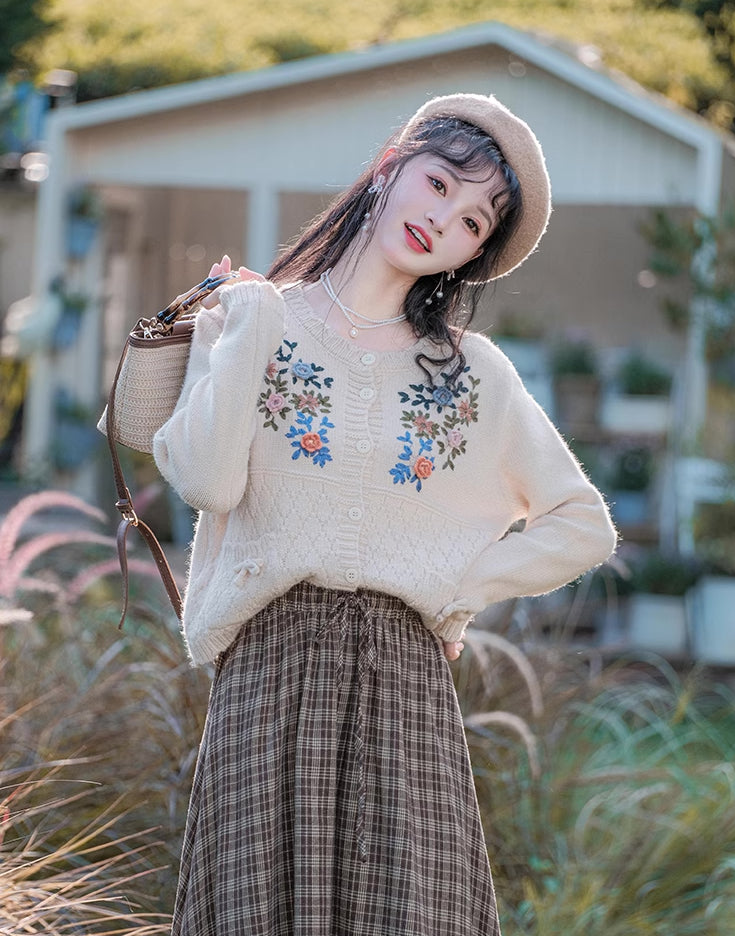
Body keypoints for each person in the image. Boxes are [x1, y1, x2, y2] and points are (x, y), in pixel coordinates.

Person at [153, 92, 617, 936]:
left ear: (474, 256)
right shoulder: (256, 317)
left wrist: (460, 585)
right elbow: (208, 482)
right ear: (391, 166)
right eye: (440, 184)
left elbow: (582, 522)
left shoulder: (471, 375)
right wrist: (249, 324)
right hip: (267, 679)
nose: (445, 220)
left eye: (474, 222)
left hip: (406, 689)